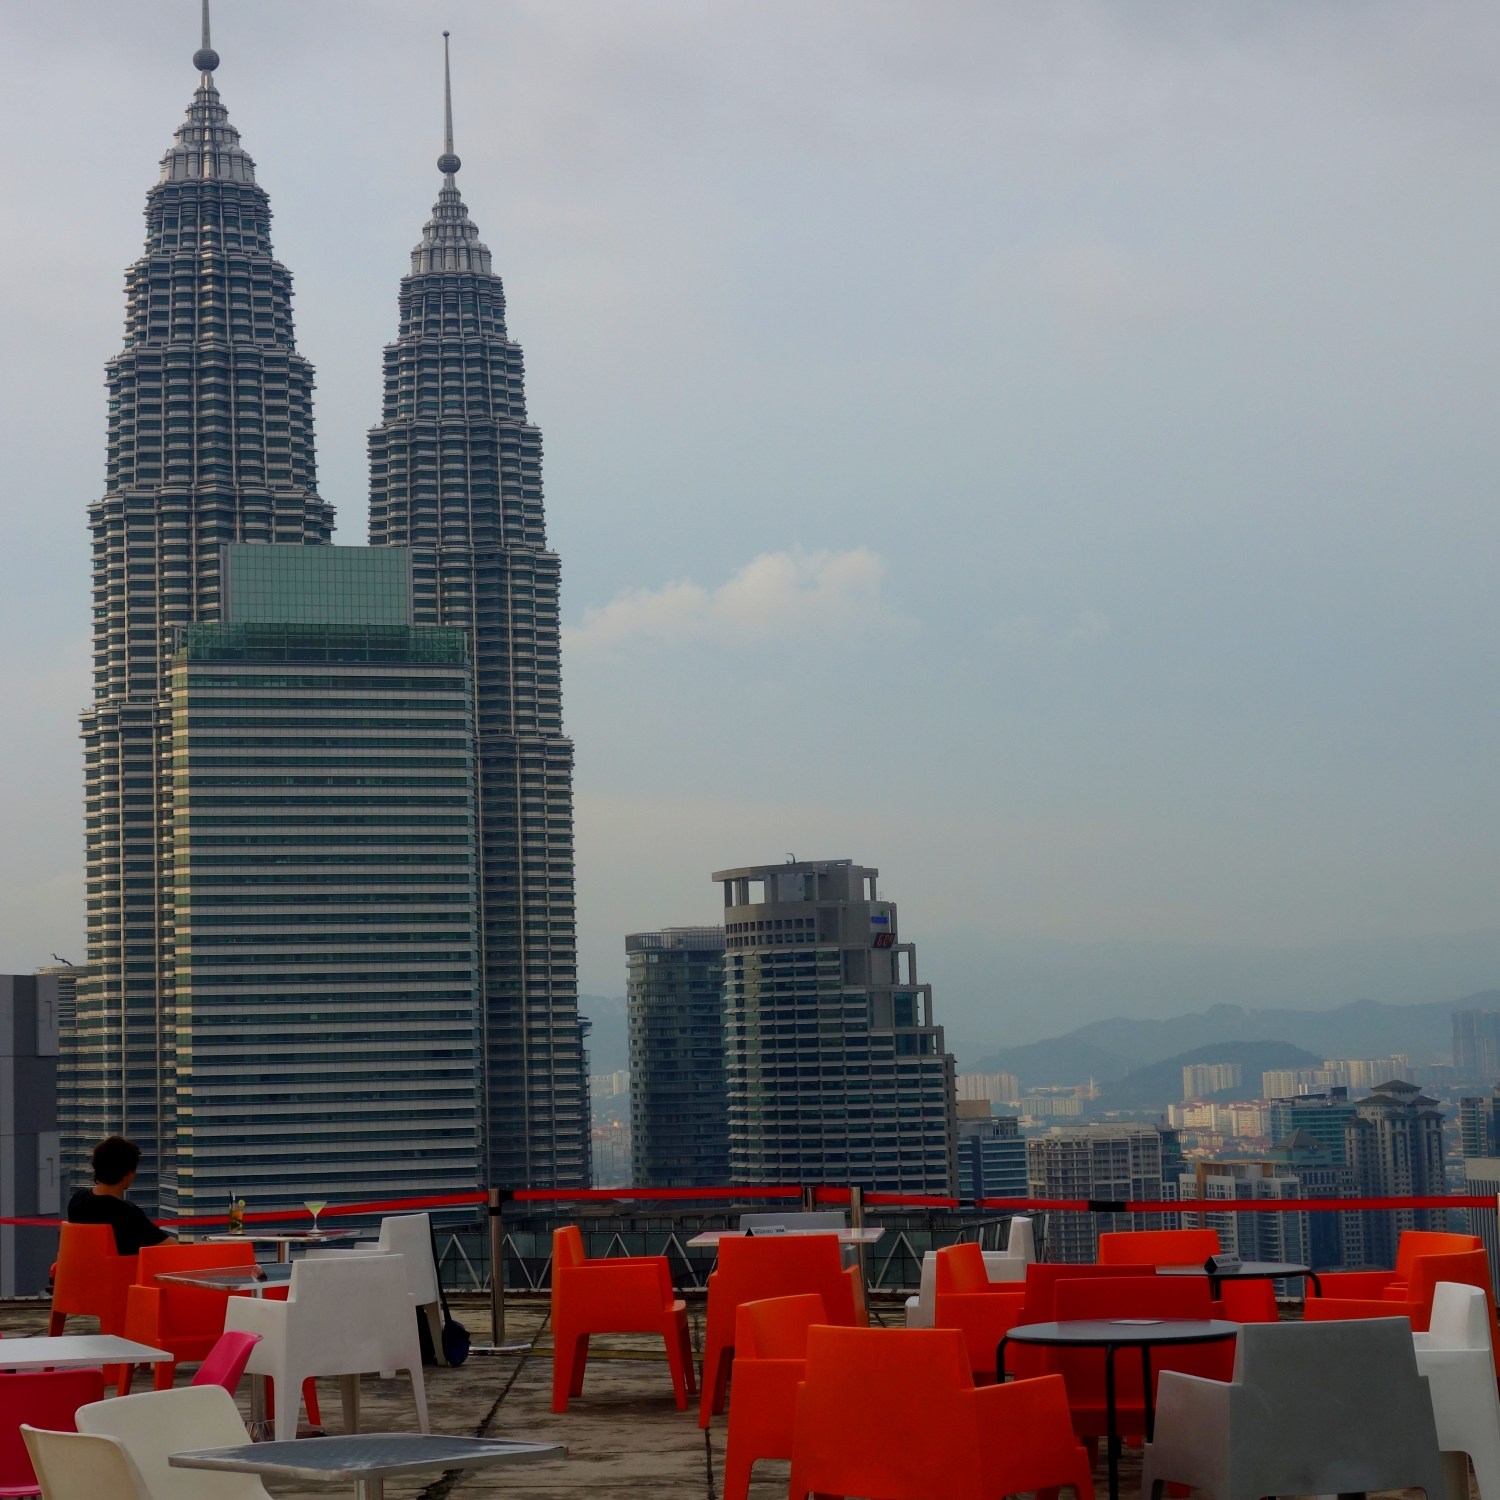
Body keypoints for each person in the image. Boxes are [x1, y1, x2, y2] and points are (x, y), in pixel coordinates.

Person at [66, 1136, 173, 1255]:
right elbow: (171, 1247)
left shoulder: (78, 1200)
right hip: (120, 1268)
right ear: (129, 1173)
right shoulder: (126, 1213)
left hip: (79, 1267)